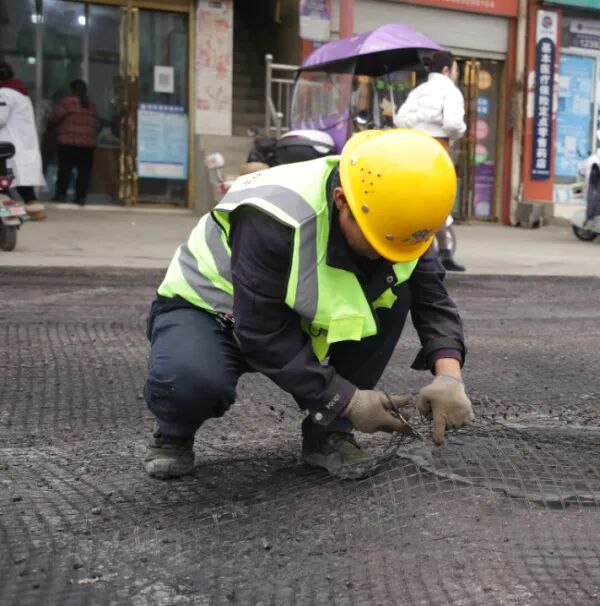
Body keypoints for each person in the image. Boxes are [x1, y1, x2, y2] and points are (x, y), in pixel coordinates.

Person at [143, 129, 474, 479]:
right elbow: (262, 331)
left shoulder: (399, 216)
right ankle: (174, 430)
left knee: (399, 290)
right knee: (189, 381)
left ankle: (328, 433)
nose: (383, 255)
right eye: (375, 241)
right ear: (341, 200)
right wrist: (348, 400)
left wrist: (449, 377)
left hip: (299, 312)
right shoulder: (273, 217)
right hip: (214, 309)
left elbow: (432, 299)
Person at [395, 51, 468, 272]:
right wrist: (455, 133)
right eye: (455, 69)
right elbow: (453, 124)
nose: (455, 74)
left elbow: (400, 120)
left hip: (414, 149)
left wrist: (420, 124)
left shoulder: (418, 91)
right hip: (438, 150)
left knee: (415, 198)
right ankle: (442, 253)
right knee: (439, 200)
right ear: (446, 70)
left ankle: (415, 250)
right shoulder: (451, 91)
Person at [0, 62, 47, 220]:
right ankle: (35, 210)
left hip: (8, 146)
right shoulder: (20, 93)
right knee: (21, 184)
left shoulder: (4, 93)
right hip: (20, 145)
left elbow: (0, 117)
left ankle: (10, 214)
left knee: (5, 183)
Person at [49, 80, 98, 205]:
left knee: (64, 170)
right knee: (84, 173)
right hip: (87, 144)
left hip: (68, 143)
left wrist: (50, 128)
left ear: (72, 90)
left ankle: (61, 195)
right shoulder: (91, 104)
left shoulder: (67, 102)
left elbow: (54, 117)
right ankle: (80, 197)